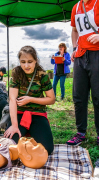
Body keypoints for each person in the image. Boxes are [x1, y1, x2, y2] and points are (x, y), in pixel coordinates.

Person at [4, 46, 55, 155]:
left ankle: (28, 136)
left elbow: (51, 99)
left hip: (37, 114)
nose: (26, 66)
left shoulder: (42, 75)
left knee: (47, 149)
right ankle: (24, 135)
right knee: (8, 146)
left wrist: (30, 99)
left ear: (35, 61)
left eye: (30, 62)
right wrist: (14, 125)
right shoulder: (16, 73)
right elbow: (12, 99)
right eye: (23, 62)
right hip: (19, 114)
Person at [66, 0, 99, 146]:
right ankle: (81, 133)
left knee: (98, 97)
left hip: (97, 54)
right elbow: (74, 30)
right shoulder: (76, 7)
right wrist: (74, 49)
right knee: (78, 97)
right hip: (80, 56)